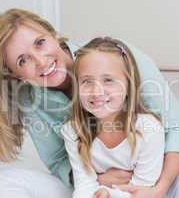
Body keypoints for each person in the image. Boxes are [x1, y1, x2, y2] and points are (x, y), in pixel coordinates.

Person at [0, 8, 179, 198]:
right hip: (102, 184)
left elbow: (176, 128)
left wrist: (158, 188)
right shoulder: (31, 102)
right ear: (13, 75)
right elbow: (57, 160)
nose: (41, 62)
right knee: (4, 181)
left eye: (40, 43)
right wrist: (101, 181)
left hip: (168, 168)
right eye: (23, 60)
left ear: (52, 33)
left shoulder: (115, 56)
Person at [61, 37, 165, 198]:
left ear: (129, 85)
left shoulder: (148, 129)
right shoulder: (73, 131)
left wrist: (107, 193)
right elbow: (84, 185)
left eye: (108, 80)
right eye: (87, 81)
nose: (96, 91)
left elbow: (141, 190)